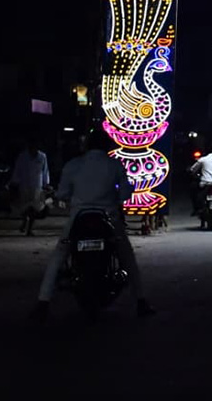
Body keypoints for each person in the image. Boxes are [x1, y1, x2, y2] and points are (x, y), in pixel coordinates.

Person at [30, 125, 154, 321]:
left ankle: (43, 302)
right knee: (126, 255)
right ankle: (141, 301)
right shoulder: (114, 165)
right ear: (107, 146)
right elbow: (125, 193)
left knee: (59, 256)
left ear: (86, 146)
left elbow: (62, 193)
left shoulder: (73, 165)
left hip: (78, 218)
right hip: (109, 218)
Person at [10, 134, 50, 236]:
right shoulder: (22, 156)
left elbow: (45, 171)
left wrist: (46, 183)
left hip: (37, 186)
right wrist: (15, 182)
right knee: (25, 207)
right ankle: (25, 222)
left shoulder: (42, 156)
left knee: (35, 207)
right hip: (24, 185)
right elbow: (17, 170)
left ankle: (29, 228)